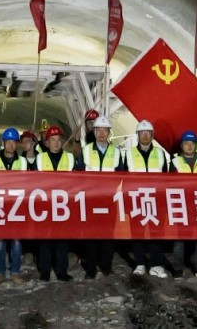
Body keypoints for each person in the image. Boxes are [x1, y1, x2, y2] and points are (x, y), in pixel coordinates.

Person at [76, 116, 123, 279]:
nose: (102, 133)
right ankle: (91, 268)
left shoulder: (116, 152)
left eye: (105, 130)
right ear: (94, 132)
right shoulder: (86, 151)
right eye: (99, 130)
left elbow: (121, 175)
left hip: (109, 198)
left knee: (108, 234)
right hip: (91, 199)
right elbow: (80, 174)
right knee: (91, 234)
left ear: (109, 133)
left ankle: (106, 266)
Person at [123, 120, 170, 278]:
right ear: (137, 135)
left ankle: (156, 265)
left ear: (152, 135)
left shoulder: (160, 153)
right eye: (142, 133)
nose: (145, 135)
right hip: (136, 199)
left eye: (147, 133)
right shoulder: (129, 154)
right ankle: (140, 263)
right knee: (137, 232)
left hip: (156, 199)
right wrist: (127, 201)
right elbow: (123, 179)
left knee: (156, 232)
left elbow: (166, 179)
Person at [33, 126, 75, 282]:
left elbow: (77, 181)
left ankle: (61, 271)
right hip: (45, 205)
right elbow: (32, 182)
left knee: (62, 239)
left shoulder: (70, 158)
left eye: (58, 140)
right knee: (45, 240)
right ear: (47, 142)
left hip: (64, 205)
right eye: (52, 140)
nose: (56, 143)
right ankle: (45, 271)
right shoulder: (40, 159)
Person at [170, 130, 197, 280]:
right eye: (186, 143)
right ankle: (178, 269)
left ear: (196, 145)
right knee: (179, 238)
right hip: (181, 204)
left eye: (192, 143)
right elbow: (170, 184)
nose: (189, 146)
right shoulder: (175, 162)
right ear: (182, 146)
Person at [0, 128, 27, 285]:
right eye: (8, 142)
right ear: (3, 143)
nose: (11, 145)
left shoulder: (22, 162)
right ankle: (0, 272)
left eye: (13, 142)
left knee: (16, 241)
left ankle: (15, 272)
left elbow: (25, 183)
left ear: (17, 144)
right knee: (0, 242)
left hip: (17, 206)